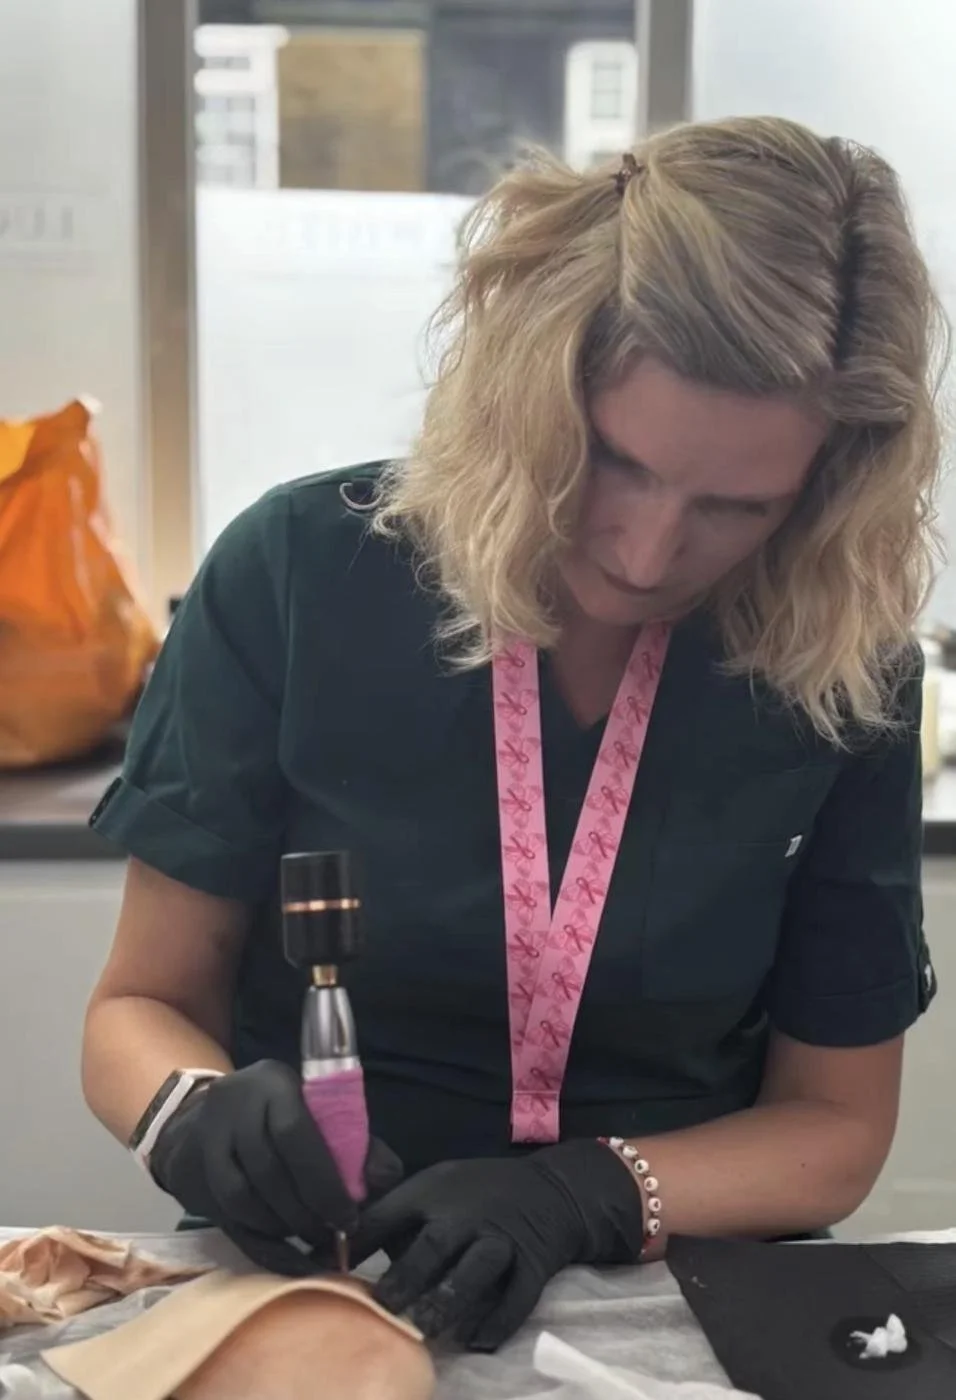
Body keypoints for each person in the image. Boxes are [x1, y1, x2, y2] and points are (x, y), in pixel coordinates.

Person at [82, 115, 944, 1354]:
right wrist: (191, 1111)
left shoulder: (840, 671)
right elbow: (137, 1004)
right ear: (538, 381)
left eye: (735, 507)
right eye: (615, 462)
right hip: (310, 1271)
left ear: (824, 487)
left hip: (672, 1287)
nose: (648, 552)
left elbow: (832, 1129)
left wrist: (583, 1190)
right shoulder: (297, 573)